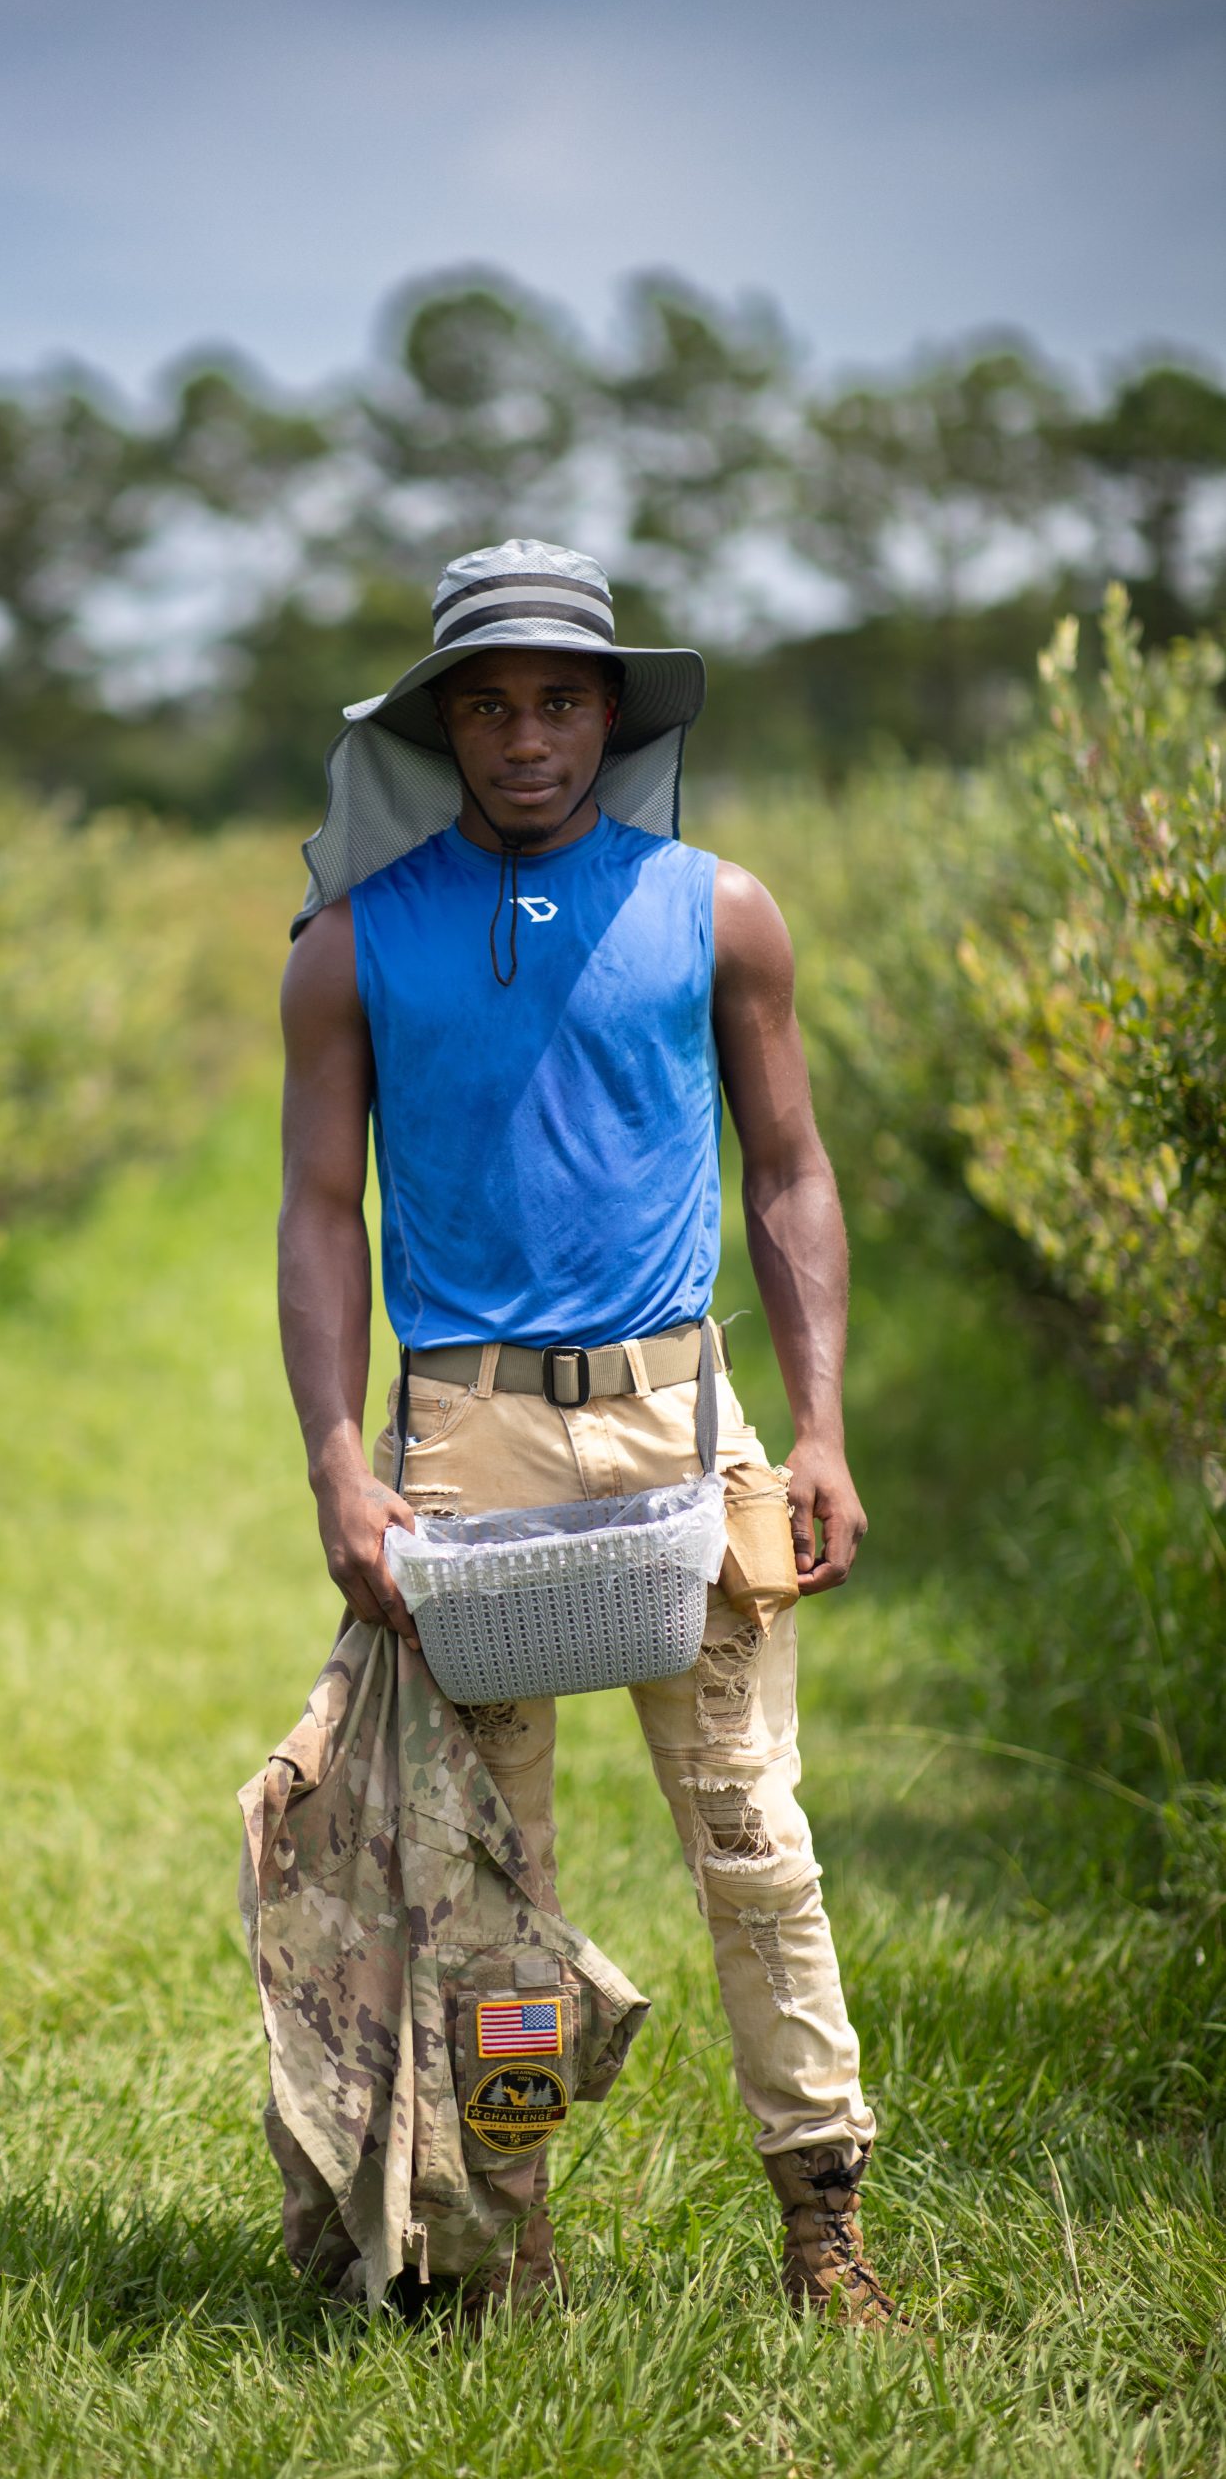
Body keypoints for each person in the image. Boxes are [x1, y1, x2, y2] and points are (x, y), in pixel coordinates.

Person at [276, 539, 902, 2325]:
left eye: (560, 700)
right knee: (491, 1891)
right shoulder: (353, 945)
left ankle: (825, 2227)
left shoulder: (719, 911)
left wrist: (820, 1430)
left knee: (755, 1843)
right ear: (443, 726)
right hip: (463, 1446)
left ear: (611, 716)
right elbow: (319, 1210)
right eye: (489, 705)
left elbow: (789, 1172)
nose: (528, 737)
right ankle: (506, 2248)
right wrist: (340, 1461)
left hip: (682, 1426)